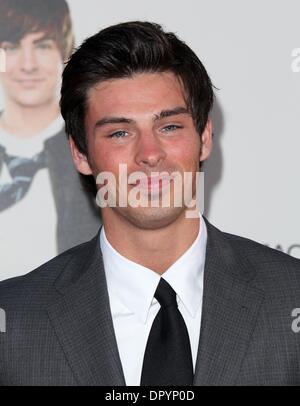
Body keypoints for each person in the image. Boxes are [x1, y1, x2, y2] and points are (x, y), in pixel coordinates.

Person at [0, 21, 300, 386]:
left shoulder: (291, 296)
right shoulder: (13, 321)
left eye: (170, 126)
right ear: (79, 153)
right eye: (120, 132)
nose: (150, 154)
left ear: (204, 137)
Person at [0, 0, 100, 280]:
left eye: (43, 46)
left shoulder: (96, 145)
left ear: (65, 51)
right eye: (12, 47)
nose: (28, 64)